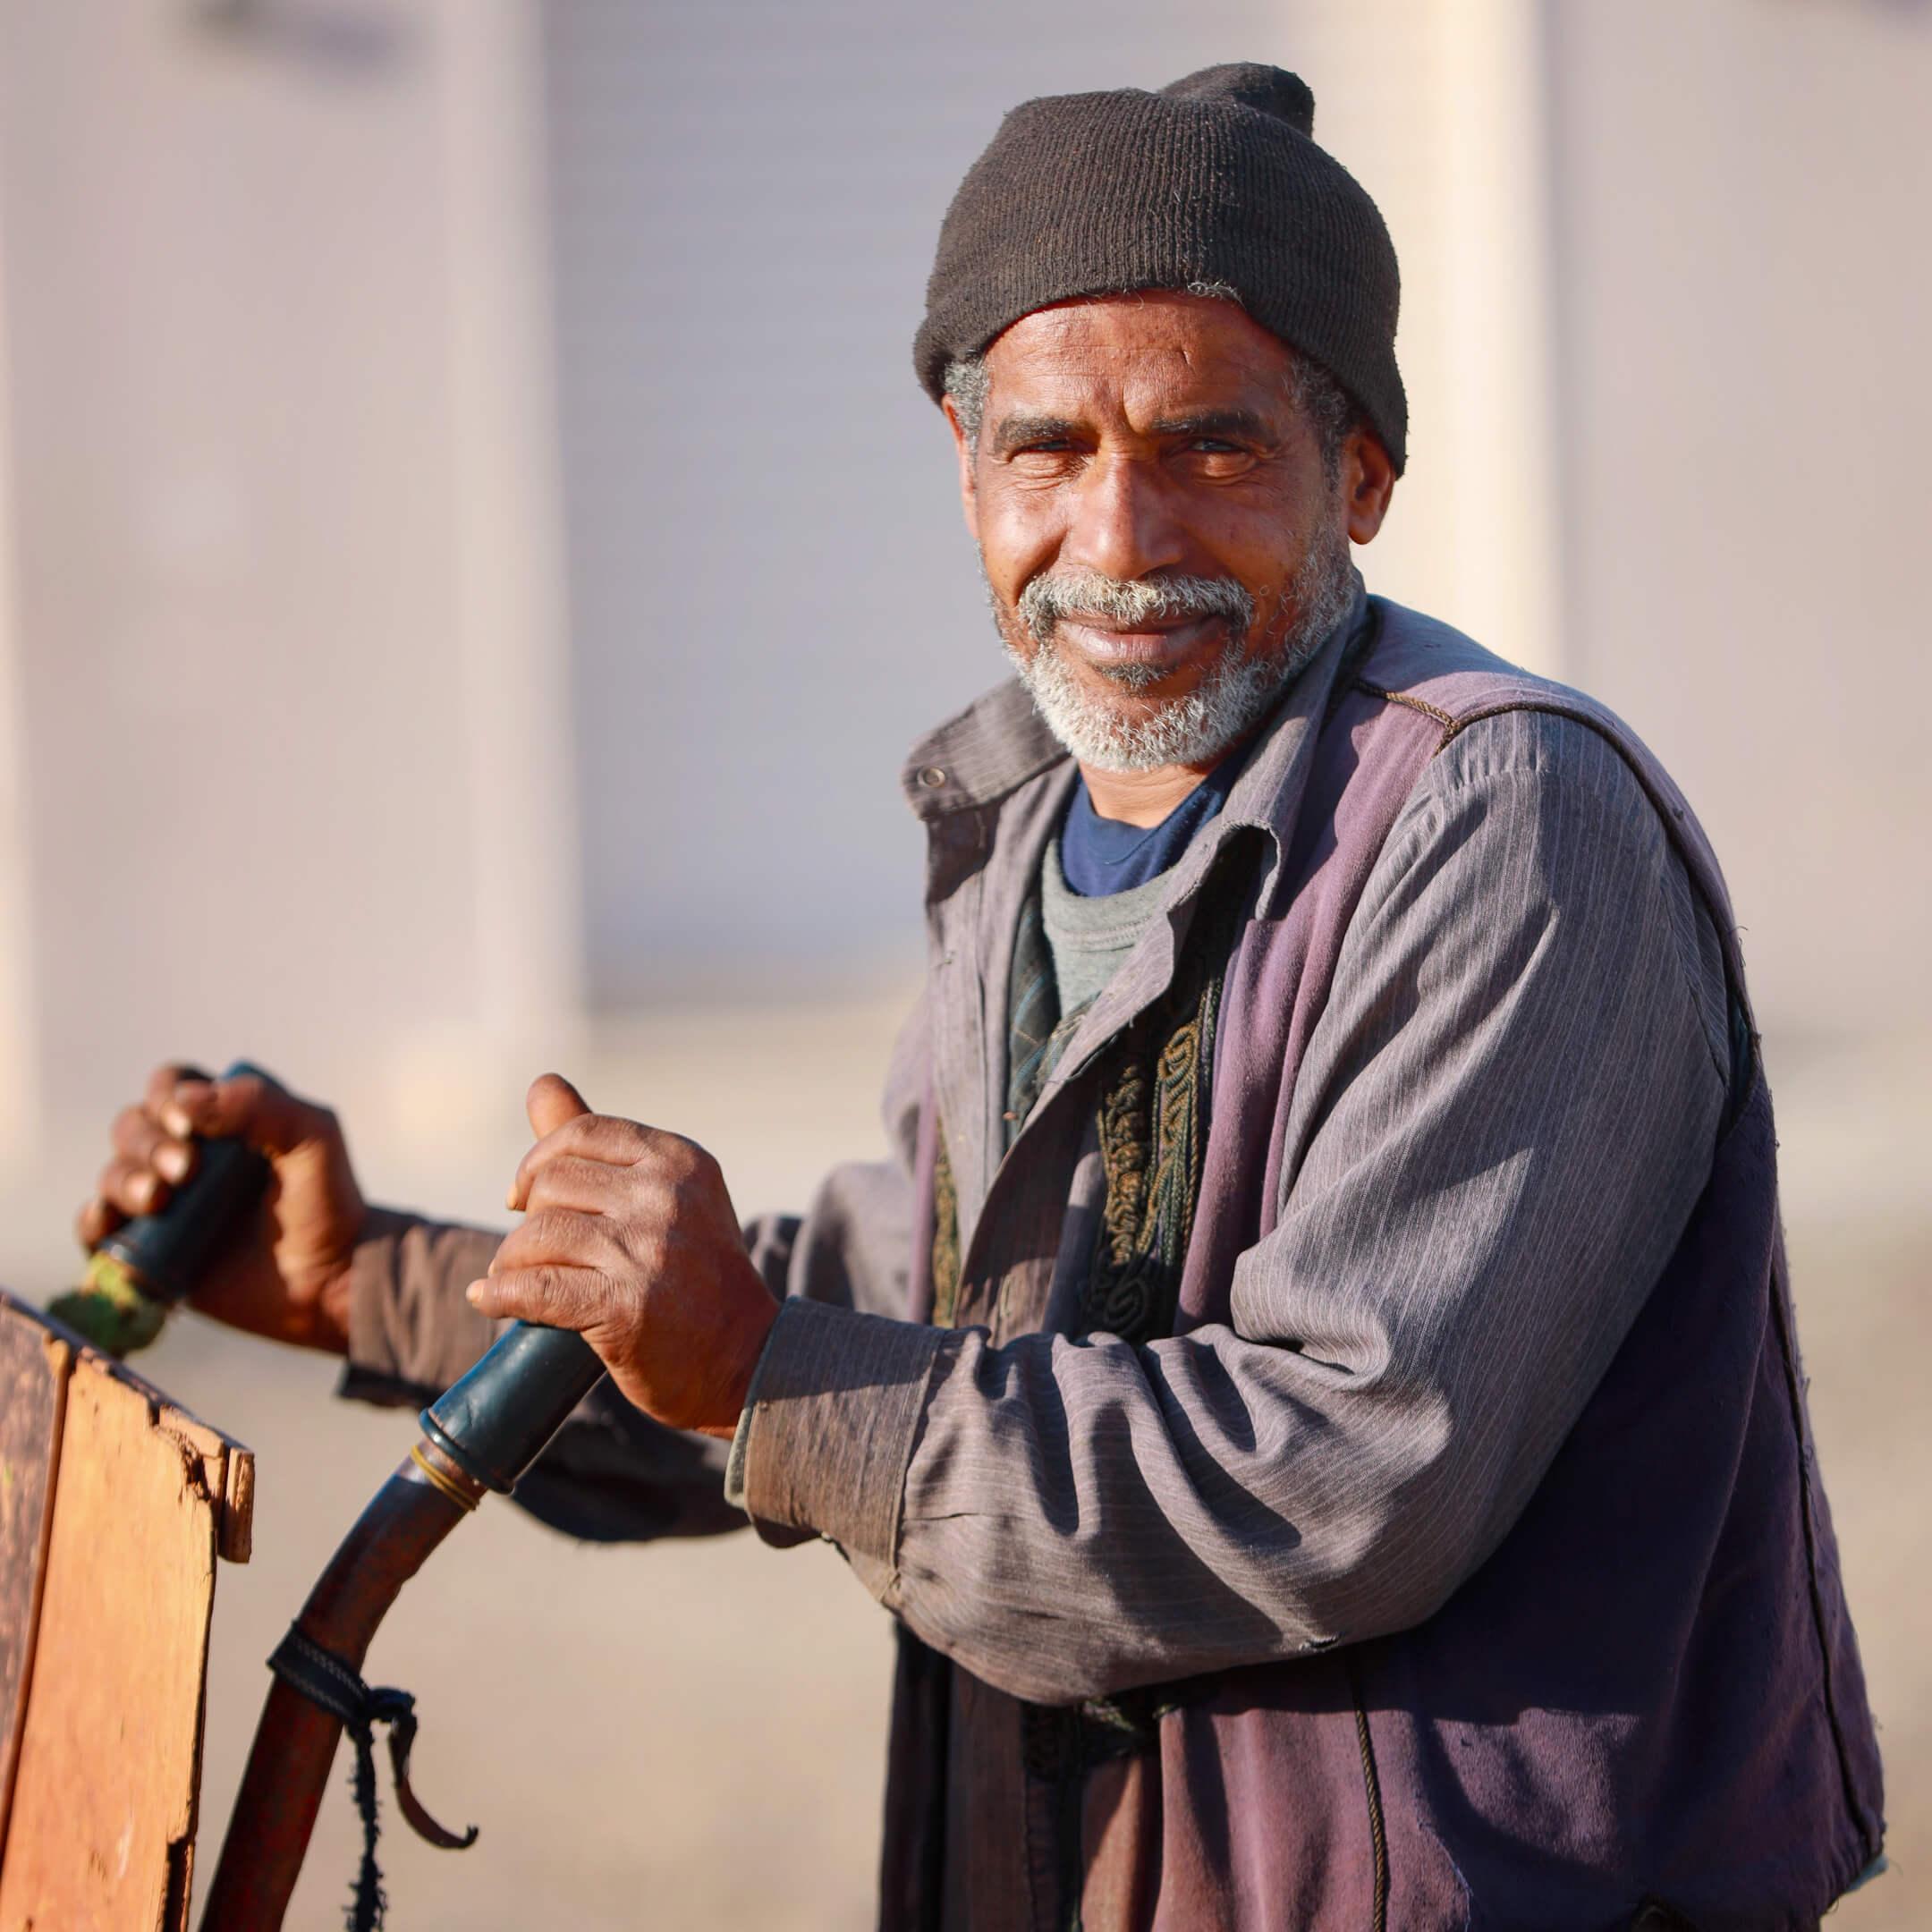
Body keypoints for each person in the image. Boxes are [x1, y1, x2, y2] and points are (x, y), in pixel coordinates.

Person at [80, 63, 1883, 1932]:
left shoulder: (1503, 818)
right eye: (1049, 450)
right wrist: (359, 1274)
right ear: (965, 470)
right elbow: (902, 1312)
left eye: (1209, 445)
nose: (1117, 543)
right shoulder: (1036, 823)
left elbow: (1346, 1475)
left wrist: (768, 1375)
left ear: (1359, 473)